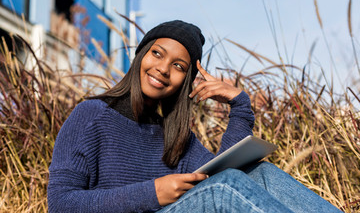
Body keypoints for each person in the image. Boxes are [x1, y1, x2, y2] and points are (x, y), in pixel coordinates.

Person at [47, 20, 342, 213]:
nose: (163, 69)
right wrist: (152, 193)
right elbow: (60, 204)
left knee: (259, 173)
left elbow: (229, 176)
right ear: (141, 56)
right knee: (226, 188)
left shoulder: (177, 139)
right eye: (157, 54)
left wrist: (239, 105)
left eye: (178, 66)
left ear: (186, 80)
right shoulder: (91, 115)